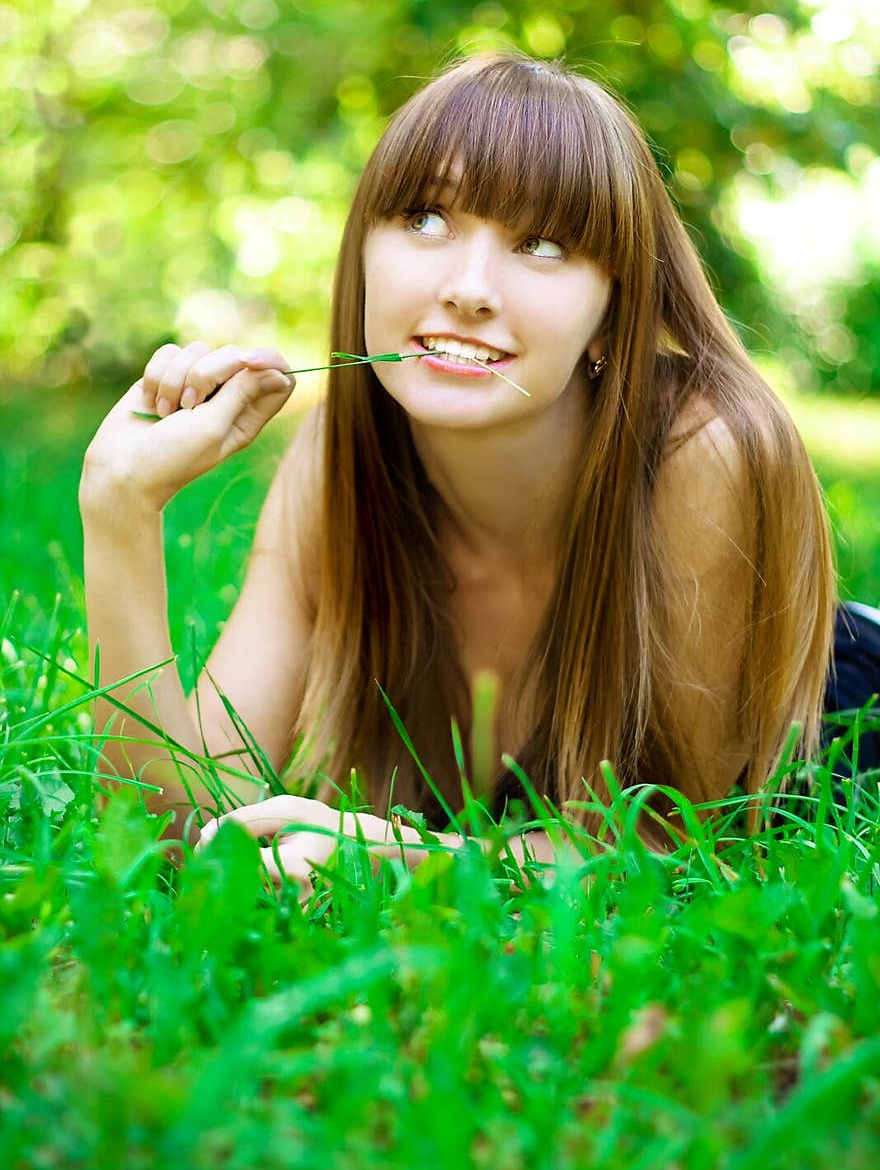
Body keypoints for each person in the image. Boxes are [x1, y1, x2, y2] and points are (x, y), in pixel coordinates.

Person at [79, 50, 875, 898]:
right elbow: (176, 833)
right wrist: (121, 510)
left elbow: (683, 842)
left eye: (541, 244)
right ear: (363, 257)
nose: (468, 288)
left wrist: (419, 864)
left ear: (615, 317)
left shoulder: (704, 450)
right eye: (426, 219)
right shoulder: (338, 467)